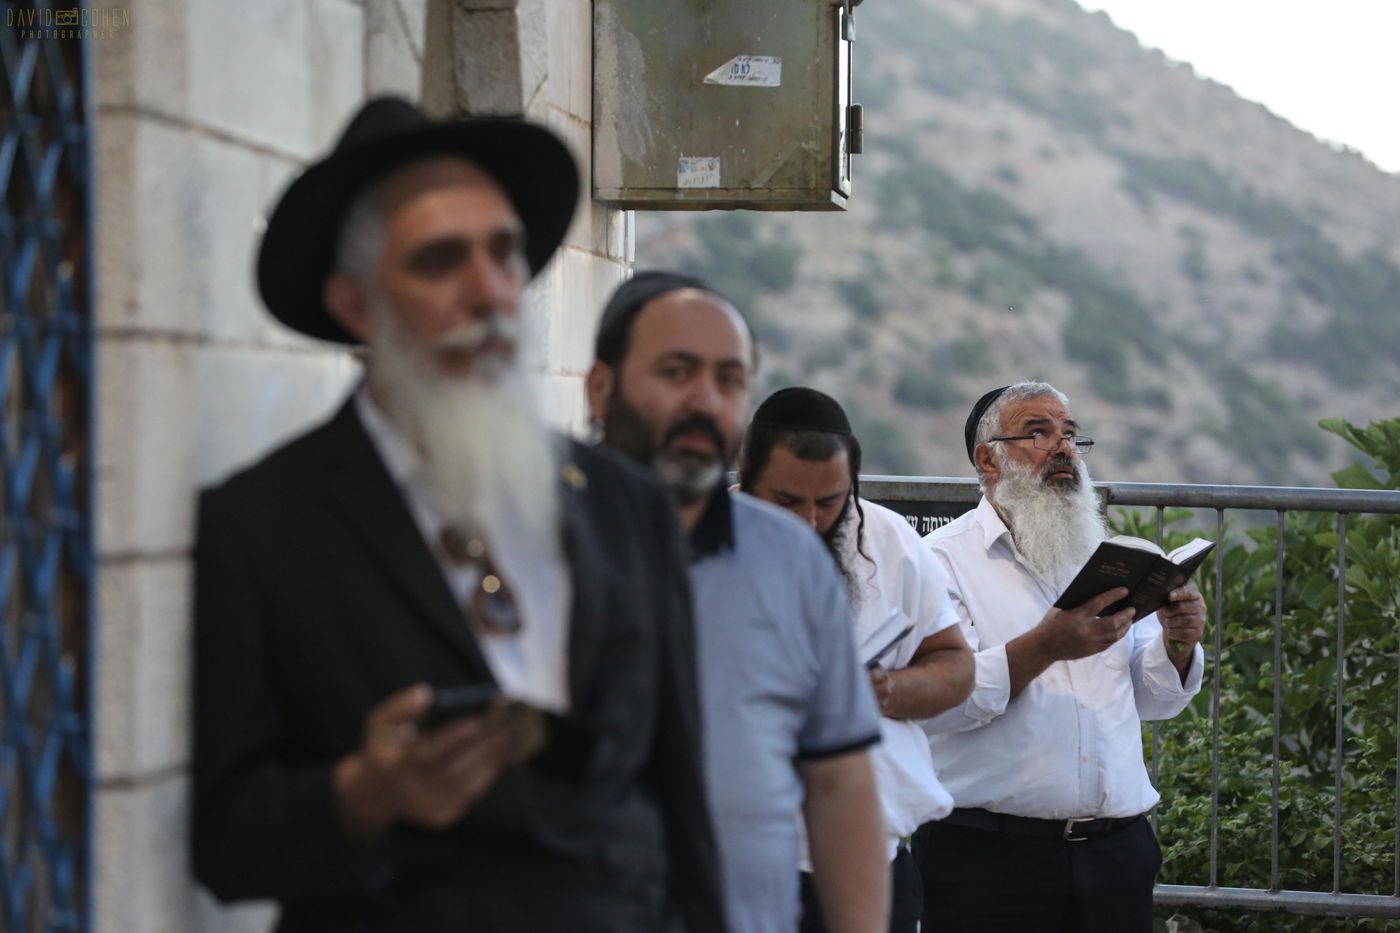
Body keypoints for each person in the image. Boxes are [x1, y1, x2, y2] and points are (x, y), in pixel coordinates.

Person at [191, 97, 726, 933]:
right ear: (355, 303)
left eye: (504, 253)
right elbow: (225, 840)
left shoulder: (625, 505)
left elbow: (682, 795)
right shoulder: (263, 521)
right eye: (441, 261)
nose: (489, 292)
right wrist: (364, 793)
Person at [586, 272, 889, 933]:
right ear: (599, 388)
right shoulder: (526, 543)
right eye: (676, 371)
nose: (704, 399)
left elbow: (840, 785)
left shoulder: (792, 562)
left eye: (728, 379)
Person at [913, 381, 1207, 932]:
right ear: (988, 460)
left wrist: (1180, 642)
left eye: (1070, 435)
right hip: (987, 858)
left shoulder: (1119, 559)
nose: (1063, 448)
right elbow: (943, 699)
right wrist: (1046, 645)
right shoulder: (937, 563)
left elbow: (1157, 700)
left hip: (1116, 853)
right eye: (1037, 433)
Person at [736, 386, 975, 933]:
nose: (812, 522)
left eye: (831, 502)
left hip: (872, 854)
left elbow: (955, 665)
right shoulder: (697, 547)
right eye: (787, 502)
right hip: (739, 858)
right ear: (746, 475)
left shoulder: (889, 539)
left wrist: (882, 691)